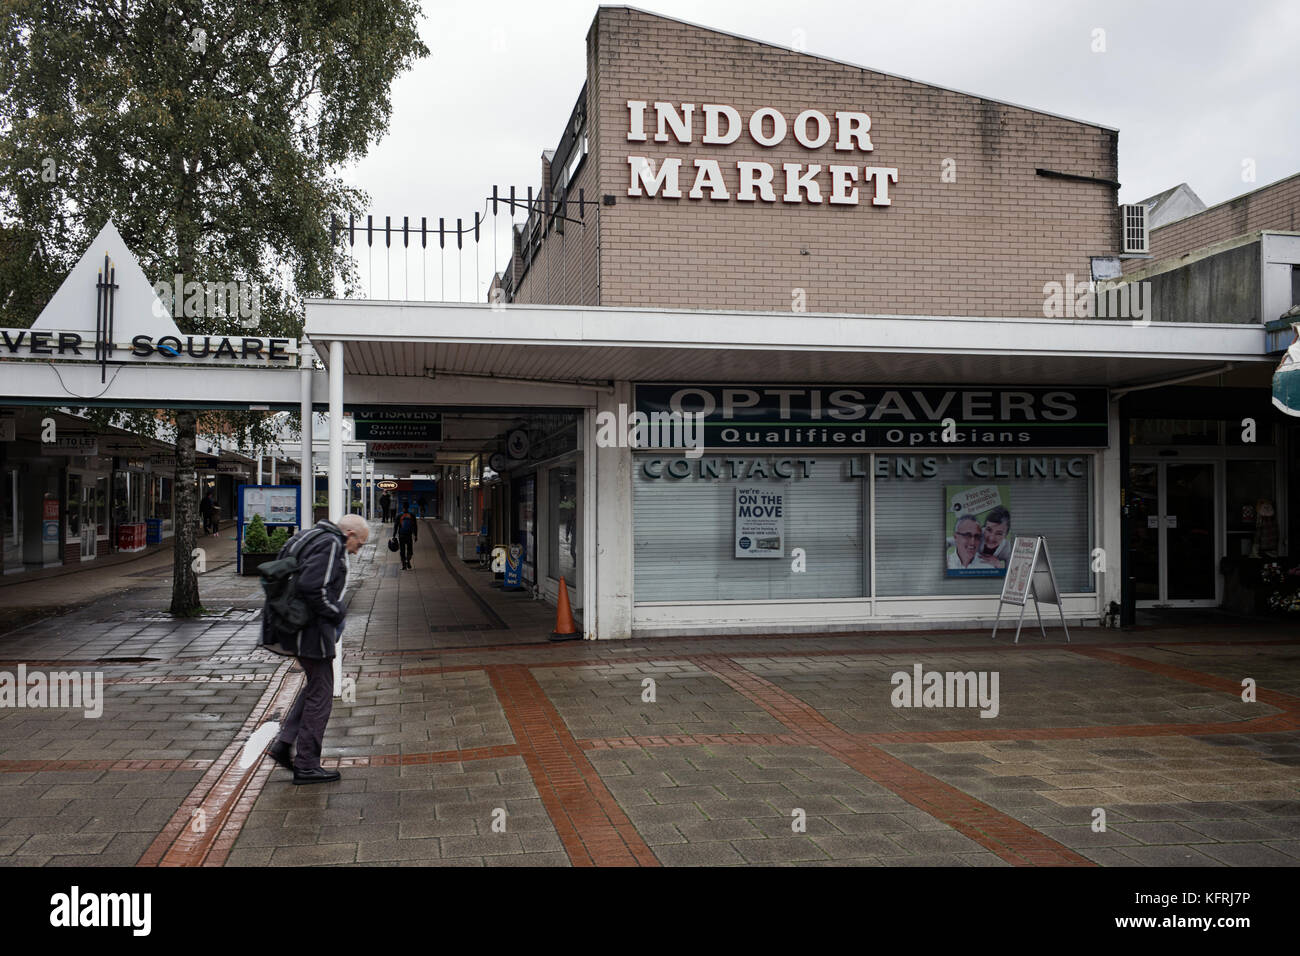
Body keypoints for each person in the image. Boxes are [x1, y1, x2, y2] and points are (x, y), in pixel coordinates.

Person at [264, 513, 369, 785]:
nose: (358, 551)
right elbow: (313, 587)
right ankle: (307, 764)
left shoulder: (306, 535)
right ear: (350, 534)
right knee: (321, 694)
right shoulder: (331, 544)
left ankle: (283, 744)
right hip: (309, 632)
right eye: (360, 544)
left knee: (314, 688)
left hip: (292, 627)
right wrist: (337, 612)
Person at [394, 503, 418, 570]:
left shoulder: (399, 515)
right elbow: (415, 526)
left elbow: (396, 526)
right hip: (409, 535)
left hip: (401, 535)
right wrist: (415, 535)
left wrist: (394, 535)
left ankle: (404, 565)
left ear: (403, 507)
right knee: (409, 549)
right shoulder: (412, 515)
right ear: (408, 507)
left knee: (402, 550)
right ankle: (408, 561)